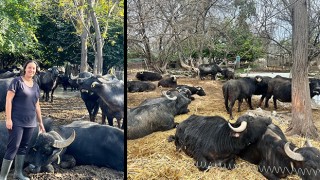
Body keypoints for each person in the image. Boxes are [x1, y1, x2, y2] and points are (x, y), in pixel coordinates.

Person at [0, 60, 46, 180]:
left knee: (23, 147)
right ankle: (3, 177)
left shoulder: (36, 86)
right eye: (29, 68)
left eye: (34, 69)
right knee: (13, 147)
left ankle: (18, 173)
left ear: (36, 71)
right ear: (25, 68)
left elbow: (37, 105)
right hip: (17, 121)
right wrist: (8, 118)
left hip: (31, 122)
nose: (31, 70)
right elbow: (8, 100)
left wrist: (40, 122)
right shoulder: (17, 82)